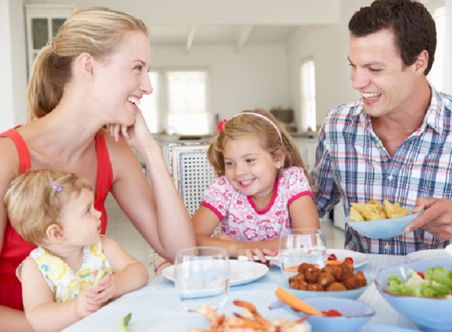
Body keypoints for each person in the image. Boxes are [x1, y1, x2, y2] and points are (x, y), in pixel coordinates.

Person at [0, 7, 195, 330]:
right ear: (88, 66)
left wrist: (151, 151)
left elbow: (181, 252)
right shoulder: (6, 157)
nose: (147, 86)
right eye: (137, 68)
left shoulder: (114, 152)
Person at [313, 0, 452, 254]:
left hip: (443, 290)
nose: (357, 81)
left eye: (374, 68)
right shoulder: (338, 124)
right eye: (353, 65)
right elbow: (312, 204)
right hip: (359, 288)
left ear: (418, 63)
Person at [4, 169, 149, 331]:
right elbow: (38, 319)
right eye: (88, 210)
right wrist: (76, 309)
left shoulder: (102, 247)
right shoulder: (35, 267)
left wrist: (116, 284)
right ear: (57, 233)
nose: (98, 213)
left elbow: (139, 272)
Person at [192, 109, 320, 260]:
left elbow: (310, 241)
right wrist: (237, 248)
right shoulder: (223, 189)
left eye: (250, 160)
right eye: (230, 163)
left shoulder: (292, 180)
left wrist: (242, 248)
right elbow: (189, 240)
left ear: (278, 158)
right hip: (239, 277)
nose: (239, 172)